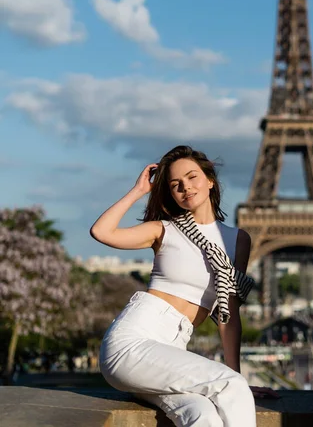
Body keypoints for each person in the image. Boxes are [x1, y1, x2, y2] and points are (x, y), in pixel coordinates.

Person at [90, 145, 276, 427]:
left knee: (201, 414)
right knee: (230, 385)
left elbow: (229, 315)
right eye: (176, 185)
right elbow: (102, 232)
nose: (185, 188)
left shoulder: (238, 241)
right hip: (132, 342)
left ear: (210, 180)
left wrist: (236, 374)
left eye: (192, 177)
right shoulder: (164, 230)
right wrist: (139, 191)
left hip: (171, 350)